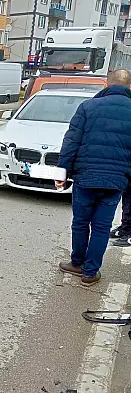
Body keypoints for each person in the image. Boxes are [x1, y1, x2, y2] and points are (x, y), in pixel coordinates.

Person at [57, 69, 131, 286]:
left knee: (80, 222)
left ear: (107, 85)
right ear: (129, 87)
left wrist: (62, 173)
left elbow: (71, 142)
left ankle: (77, 263)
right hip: (116, 180)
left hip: (85, 177)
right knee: (102, 227)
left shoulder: (88, 107)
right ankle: (90, 273)